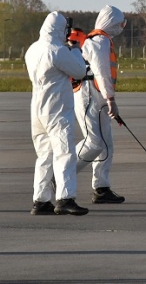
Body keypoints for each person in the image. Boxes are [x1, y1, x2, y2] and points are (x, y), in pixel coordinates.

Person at [25, 12, 89, 215]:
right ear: (60, 30)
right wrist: (76, 51)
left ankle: (41, 200)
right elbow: (79, 71)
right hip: (57, 108)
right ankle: (65, 198)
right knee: (64, 153)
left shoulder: (32, 49)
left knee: (44, 155)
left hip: (37, 107)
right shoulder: (57, 50)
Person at [74, 5, 127, 204]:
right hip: (89, 94)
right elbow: (101, 72)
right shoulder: (99, 41)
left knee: (106, 144)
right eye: (120, 23)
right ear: (112, 22)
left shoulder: (103, 41)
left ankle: (102, 187)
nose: (121, 27)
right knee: (94, 142)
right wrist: (111, 100)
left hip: (98, 95)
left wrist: (108, 99)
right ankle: (59, 174)